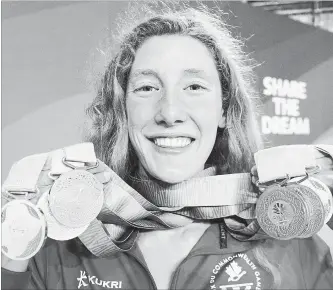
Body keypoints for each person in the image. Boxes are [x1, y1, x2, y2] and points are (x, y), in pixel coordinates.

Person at [2, 2, 333, 290]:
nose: (170, 112)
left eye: (193, 86)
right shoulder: (64, 246)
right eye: (147, 87)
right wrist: (9, 241)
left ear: (224, 109)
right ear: (122, 110)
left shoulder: (290, 245)